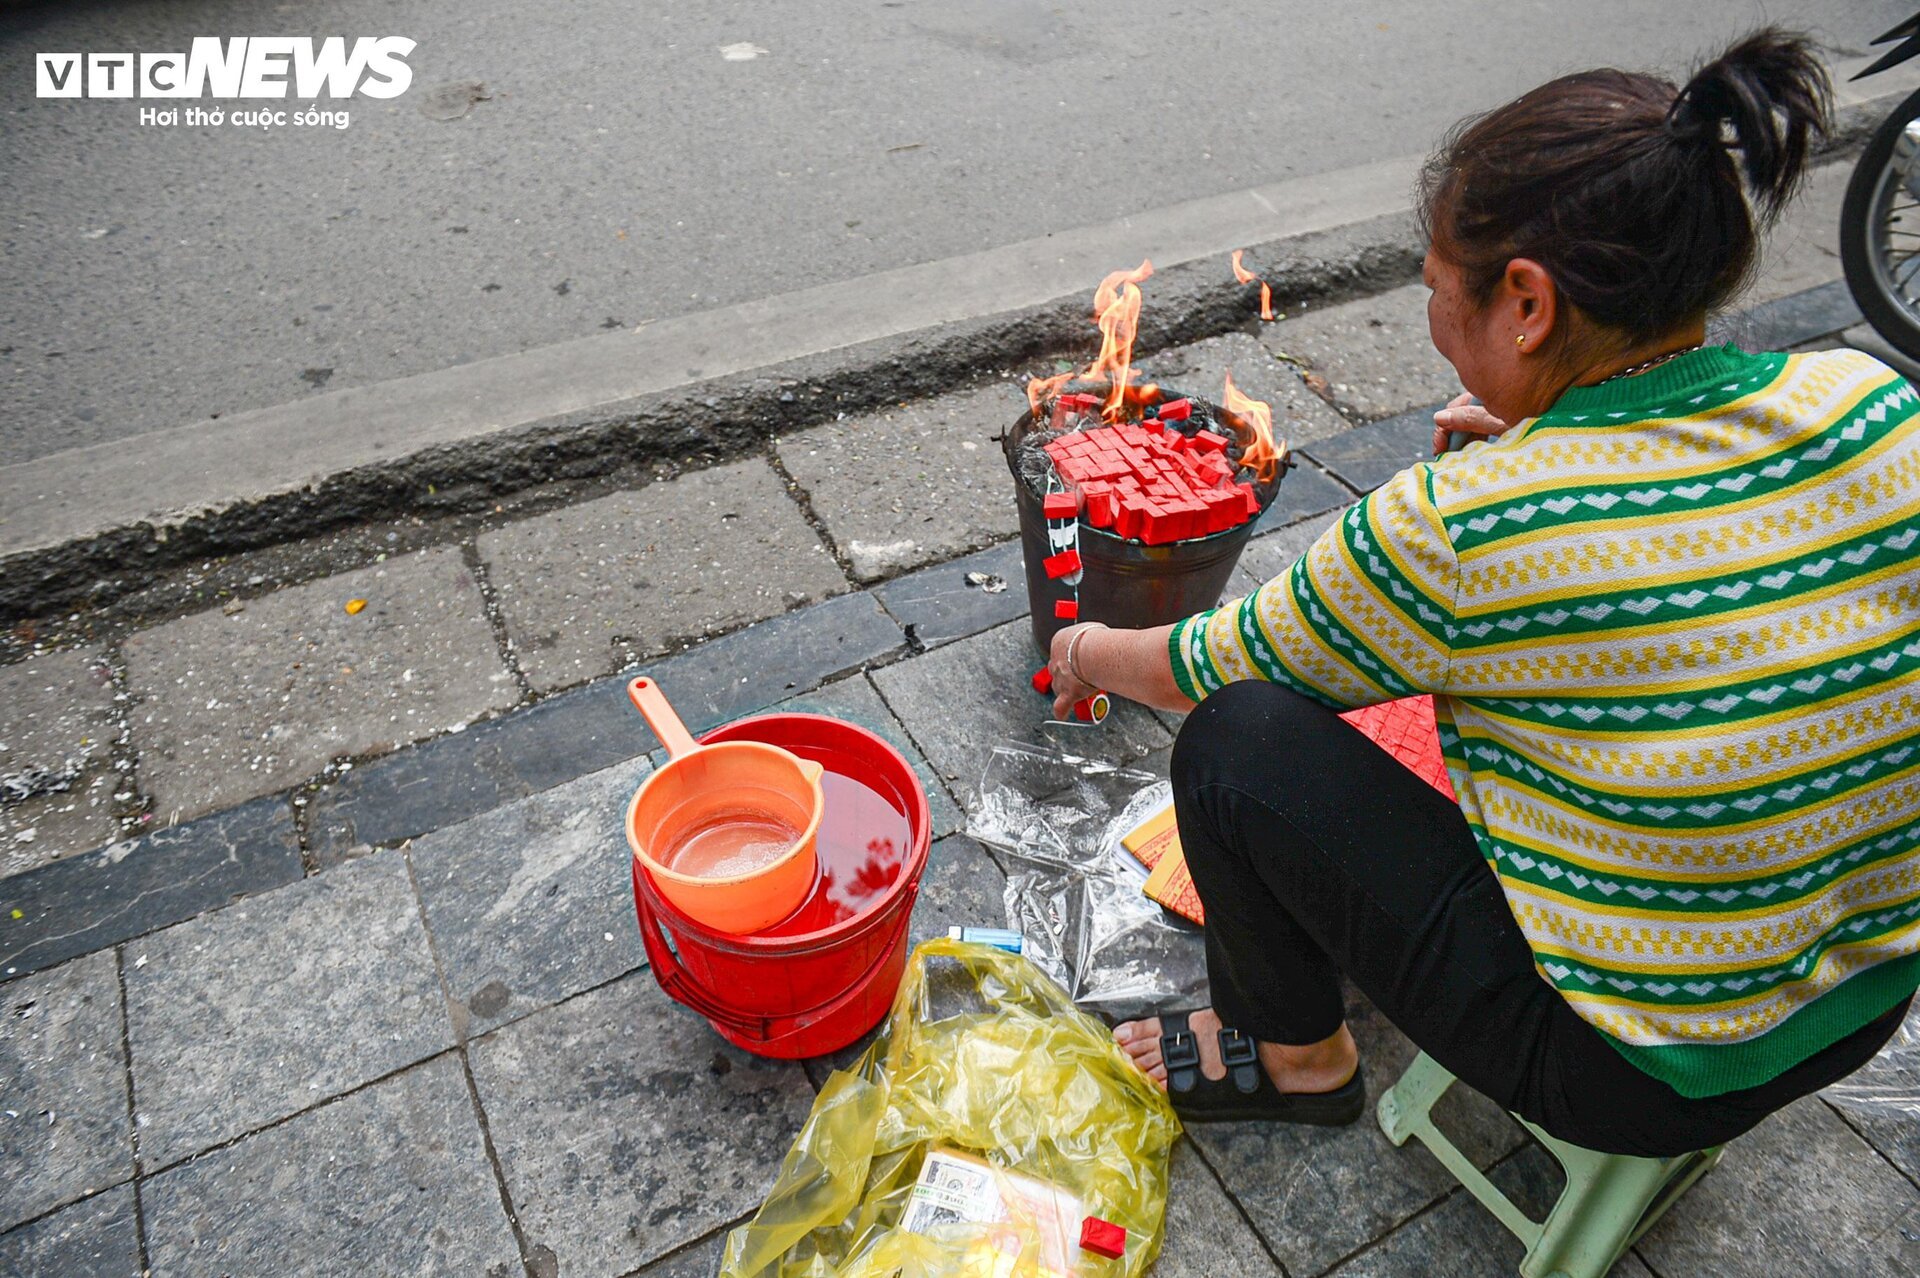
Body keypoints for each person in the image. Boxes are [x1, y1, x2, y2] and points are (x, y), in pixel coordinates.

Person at [1043, 29, 1920, 1156]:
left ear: (1527, 302)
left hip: (1643, 1073)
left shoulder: (1468, 524)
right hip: (1869, 993)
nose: (1435, 318)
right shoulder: (1874, 405)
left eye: (1435, 291)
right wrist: (1549, 449)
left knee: (1237, 743)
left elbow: (1207, 665)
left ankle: (1302, 1061)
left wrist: (1082, 650)